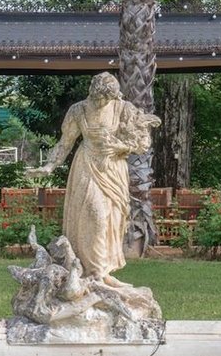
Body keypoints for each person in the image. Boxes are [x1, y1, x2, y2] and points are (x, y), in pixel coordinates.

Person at [32, 72, 159, 286]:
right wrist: (49, 166)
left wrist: (118, 146)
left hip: (113, 169)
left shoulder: (123, 109)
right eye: (97, 98)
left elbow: (142, 143)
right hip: (87, 165)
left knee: (111, 220)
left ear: (113, 96)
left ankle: (103, 271)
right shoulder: (79, 110)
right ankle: (93, 271)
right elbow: (65, 142)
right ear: (91, 93)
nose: (100, 103)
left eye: (105, 99)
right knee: (94, 214)